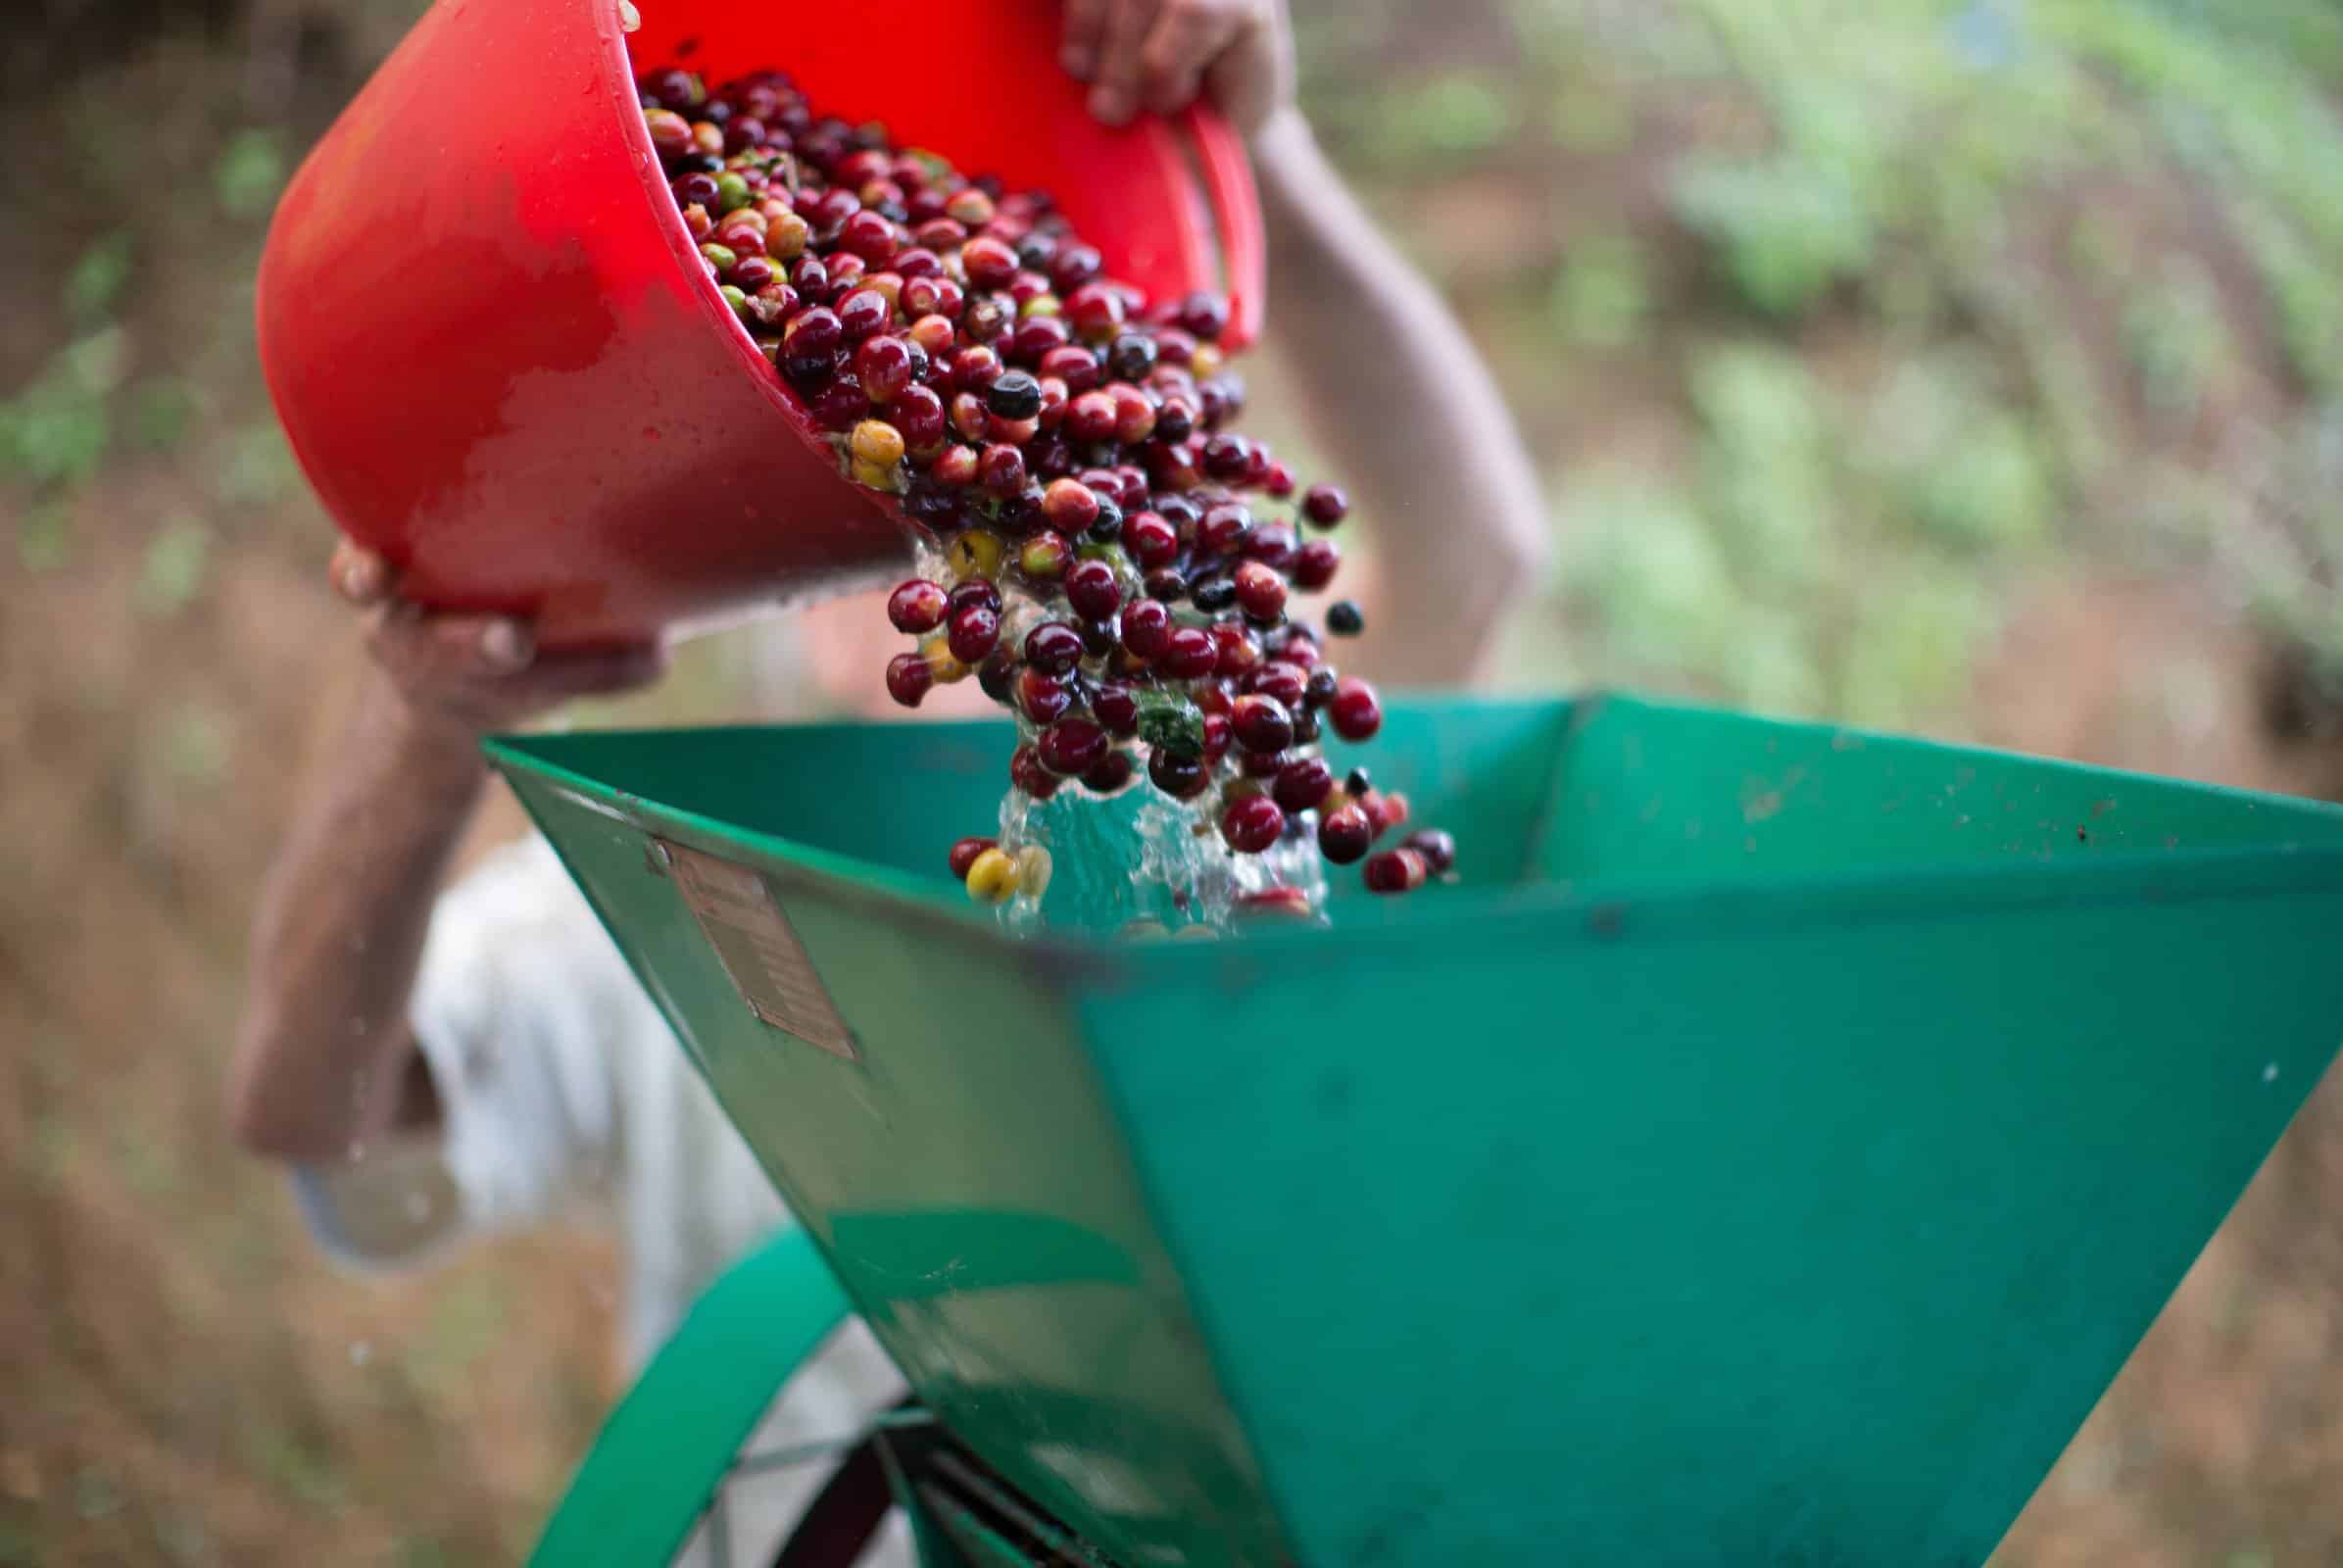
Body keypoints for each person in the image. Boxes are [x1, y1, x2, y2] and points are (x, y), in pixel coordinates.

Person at [226, 0, 1549, 1560]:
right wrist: (430, 719)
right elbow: (319, 1116)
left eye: (999, 533)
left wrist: (1263, 154)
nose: (964, 583)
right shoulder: (670, 900)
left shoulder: (1192, 844)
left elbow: (1476, 559)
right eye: (890, 551)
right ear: (773, 609)